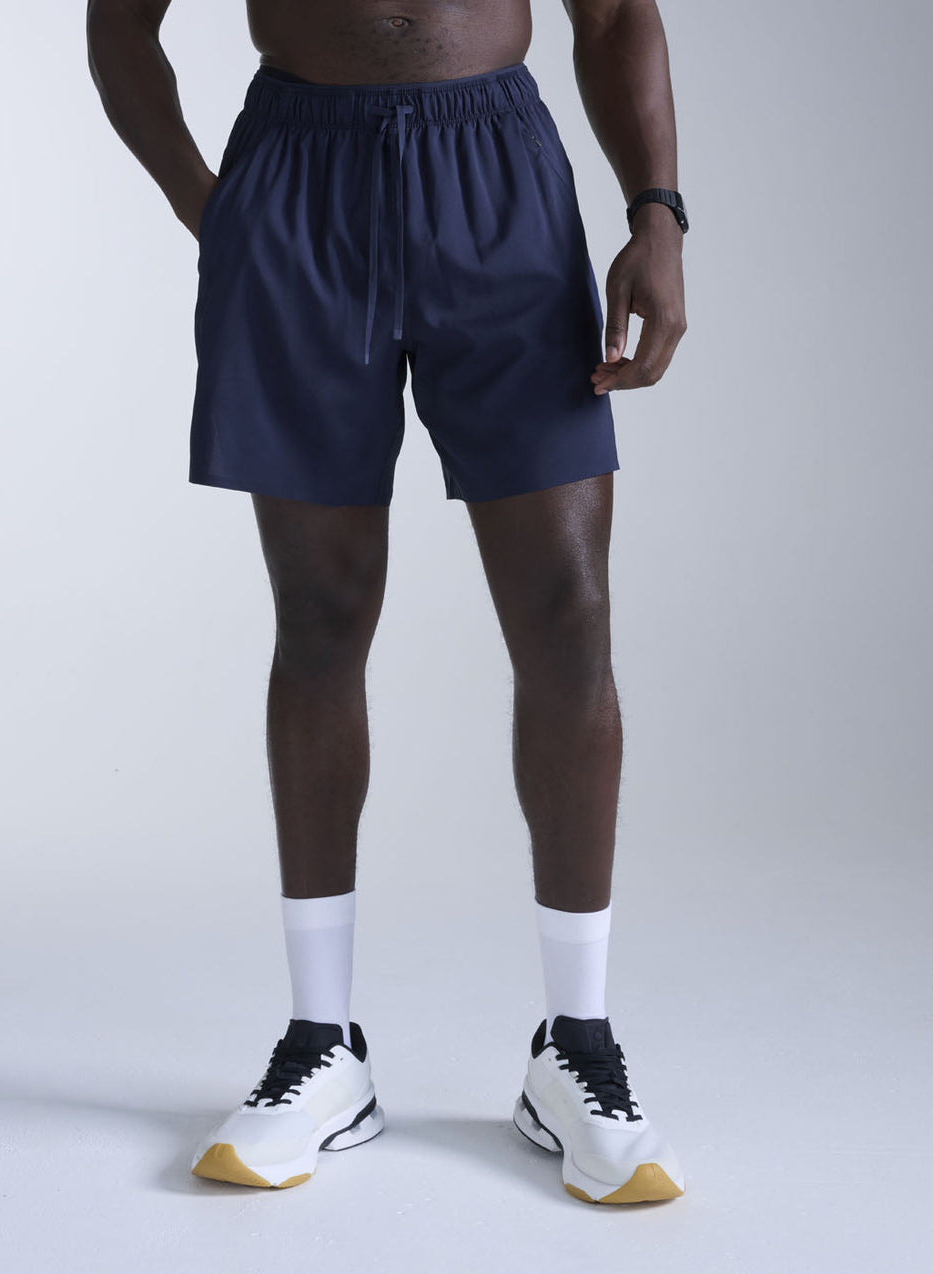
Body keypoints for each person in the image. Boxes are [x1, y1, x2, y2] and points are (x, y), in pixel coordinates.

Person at [86, 0, 689, 1205]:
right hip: (298, 178)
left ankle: (576, 1044)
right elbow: (119, 23)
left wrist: (657, 212)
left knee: (566, 613)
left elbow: (616, 12)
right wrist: (211, 205)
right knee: (319, 613)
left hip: (497, 178)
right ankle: (323, 1045)